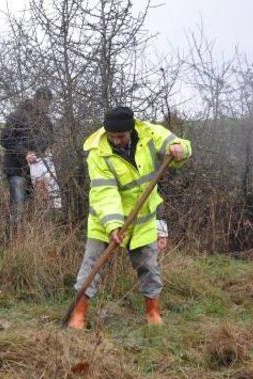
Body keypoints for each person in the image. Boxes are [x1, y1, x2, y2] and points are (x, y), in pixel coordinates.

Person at [67, 106, 192, 329]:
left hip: (142, 217)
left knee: (148, 266)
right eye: (112, 137)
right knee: (92, 264)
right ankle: (78, 315)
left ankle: (153, 313)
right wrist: (113, 226)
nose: (116, 141)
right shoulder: (98, 152)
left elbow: (179, 144)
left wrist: (179, 149)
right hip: (105, 218)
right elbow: (104, 192)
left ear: (131, 130)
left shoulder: (150, 134)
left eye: (121, 136)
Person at [0, 88, 54, 227]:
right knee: (18, 206)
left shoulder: (47, 122)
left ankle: (27, 242)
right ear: (35, 99)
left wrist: (45, 153)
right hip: (16, 168)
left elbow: (49, 141)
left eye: (47, 104)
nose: (45, 106)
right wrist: (25, 153)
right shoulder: (17, 115)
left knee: (33, 207)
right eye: (43, 102)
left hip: (37, 172)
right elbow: (5, 139)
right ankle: (13, 242)